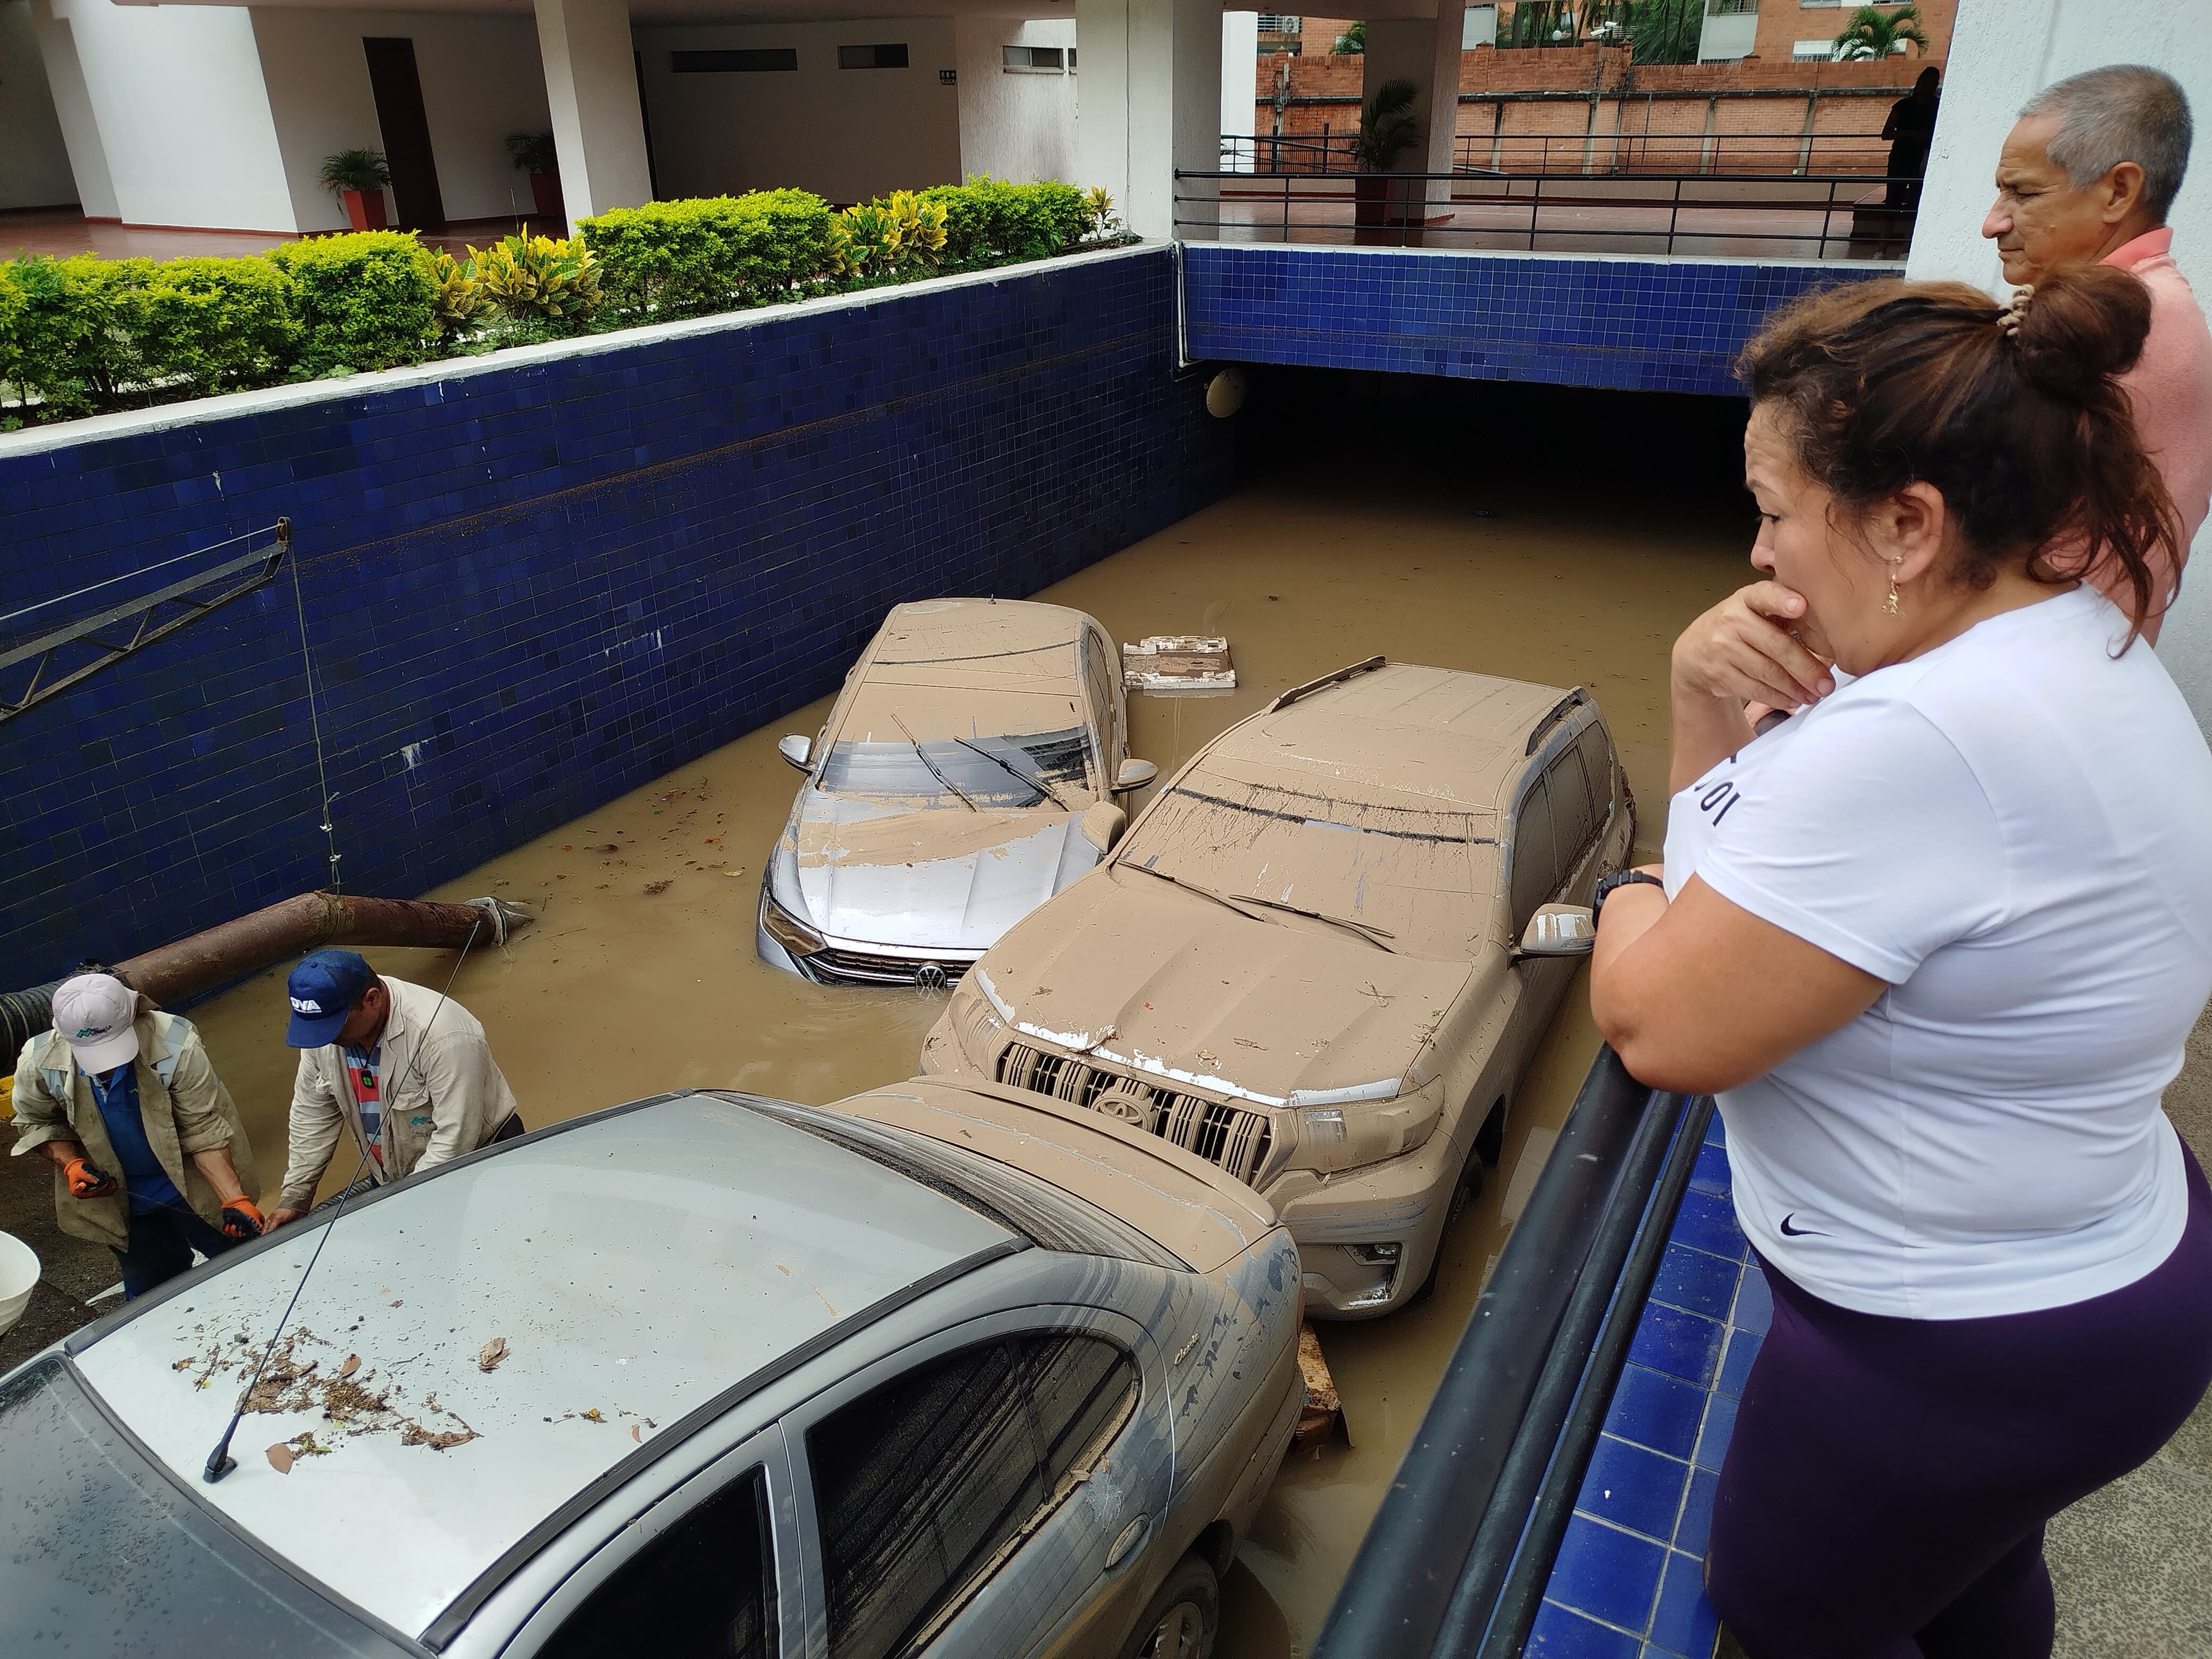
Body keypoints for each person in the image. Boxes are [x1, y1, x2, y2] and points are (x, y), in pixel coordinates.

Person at [1593, 267, 2212, 1657]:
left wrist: (1649, 840)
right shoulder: (2076, 639)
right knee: (1968, 1579)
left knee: (1790, 1612)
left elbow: (1656, 1021)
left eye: (1771, 513)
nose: (1759, 559)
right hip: (2101, 1270)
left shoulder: (1924, 738)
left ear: (1906, 525)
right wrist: (1728, 715)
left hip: (1953, 1344)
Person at [1983, 64, 2210, 642]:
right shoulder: (2162, 309)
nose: (1992, 223)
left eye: (2022, 192)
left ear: (2117, 191)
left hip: (2016, 667)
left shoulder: (2122, 331)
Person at [9, 973, 264, 1298]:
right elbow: (36, 1121)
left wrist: (233, 1198)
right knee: (153, 1293)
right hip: (120, 1197)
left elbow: (202, 1128)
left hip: (194, 1184)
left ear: (132, 1016)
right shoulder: (39, 1060)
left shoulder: (175, 1044)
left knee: (248, 1266)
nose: (104, 1068)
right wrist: (72, 1164)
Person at [267, 949, 521, 1228]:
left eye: (335, 1027)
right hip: (396, 1169)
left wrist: (406, 1208)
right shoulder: (324, 1036)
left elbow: (455, 1136)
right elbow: (312, 1115)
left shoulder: (443, 1035)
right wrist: (295, 1197)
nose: (326, 1039)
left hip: (482, 1158)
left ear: (372, 999)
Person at [1881, 66, 1941, 212]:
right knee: (1893, 202)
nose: (1927, 89)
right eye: (1925, 85)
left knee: (1919, 203)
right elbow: (1886, 134)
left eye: (1931, 85)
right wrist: (1911, 134)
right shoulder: (1903, 106)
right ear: (1919, 84)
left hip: (1925, 159)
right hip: (1901, 158)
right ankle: (1886, 233)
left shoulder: (1938, 106)